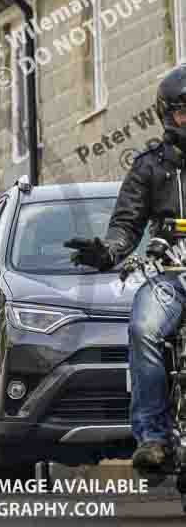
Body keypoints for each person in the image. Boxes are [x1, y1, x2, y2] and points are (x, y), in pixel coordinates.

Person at [65, 64, 186, 471]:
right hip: (169, 276)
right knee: (143, 329)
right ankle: (153, 438)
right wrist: (108, 251)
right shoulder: (148, 167)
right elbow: (126, 225)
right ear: (166, 116)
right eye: (182, 112)